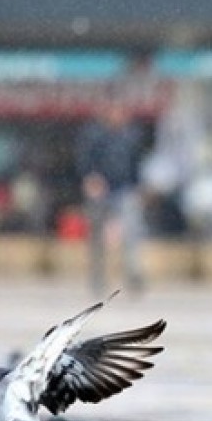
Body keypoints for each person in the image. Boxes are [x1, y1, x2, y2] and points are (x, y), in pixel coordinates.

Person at [76, 99, 146, 294]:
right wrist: (91, 179)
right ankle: (97, 277)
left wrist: (137, 187)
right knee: (97, 236)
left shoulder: (130, 136)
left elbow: (135, 164)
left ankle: (133, 273)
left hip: (124, 190)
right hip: (101, 191)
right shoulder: (94, 135)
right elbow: (84, 161)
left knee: (131, 233)